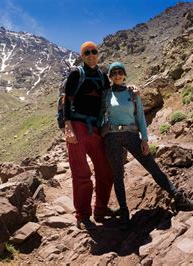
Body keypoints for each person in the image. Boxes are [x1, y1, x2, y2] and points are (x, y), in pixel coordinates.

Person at [101, 62, 193, 230]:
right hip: (112, 138)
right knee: (117, 176)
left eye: (119, 72)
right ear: (110, 76)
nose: (116, 75)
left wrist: (144, 139)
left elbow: (141, 119)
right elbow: (100, 117)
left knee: (152, 167)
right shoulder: (106, 94)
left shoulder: (132, 93)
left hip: (131, 135)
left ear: (124, 74)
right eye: (113, 73)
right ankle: (124, 213)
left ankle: (177, 197)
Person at [63, 41, 119, 230]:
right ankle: (83, 215)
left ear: (98, 53)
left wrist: (130, 90)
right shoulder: (76, 74)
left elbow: (111, 96)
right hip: (77, 126)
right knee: (81, 174)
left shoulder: (103, 76)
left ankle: (101, 208)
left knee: (105, 170)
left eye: (94, 51)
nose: (91, 55)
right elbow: (66, 100)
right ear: (82, 56)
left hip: (95, 128)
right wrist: (68, 127)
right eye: (87, 52)